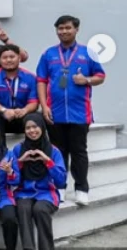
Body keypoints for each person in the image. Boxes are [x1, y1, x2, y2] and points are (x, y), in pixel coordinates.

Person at [37, 15, 105, 206]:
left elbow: (100, 76)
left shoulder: (88, 53)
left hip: (79, 112)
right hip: (55, 112)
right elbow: (41, 80)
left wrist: (86, 80)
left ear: (76, 29)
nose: (64, 31)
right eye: (60, 28)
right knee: (58, 152)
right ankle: (59, 187)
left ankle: (82, 189)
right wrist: (44, 106)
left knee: (79, 152)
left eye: (67, 28)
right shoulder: (48, 54)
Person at [13, 113, 67, 250]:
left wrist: (47, 161)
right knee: (23, 208)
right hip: (24, 192)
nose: (32, 131)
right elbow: (12, 180)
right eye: (28, 128)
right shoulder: (18, 149)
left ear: (42, 127)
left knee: (40, 209)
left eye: (35, 126)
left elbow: (61, 181)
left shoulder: (53, 151)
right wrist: (20, 162)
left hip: (47, 193)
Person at [0, 44, 39, 143]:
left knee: (36, 117)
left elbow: (34, 102)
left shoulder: (31, 77)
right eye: (5, 58)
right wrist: (4, 110)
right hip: (1, 115)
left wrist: (24, 110)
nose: (8, 60)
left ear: (19, 58)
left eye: (12, 57)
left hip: (21, 115)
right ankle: (0, 148)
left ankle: (33, 148)